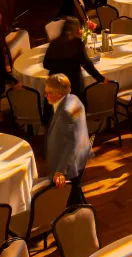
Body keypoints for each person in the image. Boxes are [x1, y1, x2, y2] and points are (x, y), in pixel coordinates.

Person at [45, 74, 93, 205]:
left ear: (59, 93)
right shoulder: (74, 99)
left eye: (49, 93)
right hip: (82, 155)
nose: (46, 95)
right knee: (75, 191)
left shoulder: (65, 112)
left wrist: (61, 170)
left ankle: (79, 218)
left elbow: (72, 142)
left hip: (70, 164)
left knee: (70, 199)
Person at [43, 19, 105, 101]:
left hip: (55, 85)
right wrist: (101, 79)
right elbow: (87, 65)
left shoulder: (54, 42)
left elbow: (46, 64)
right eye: (79, 28)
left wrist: (59, 67)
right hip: (73, 85)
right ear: (74, 30)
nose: (80, 30)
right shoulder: (77, 43)